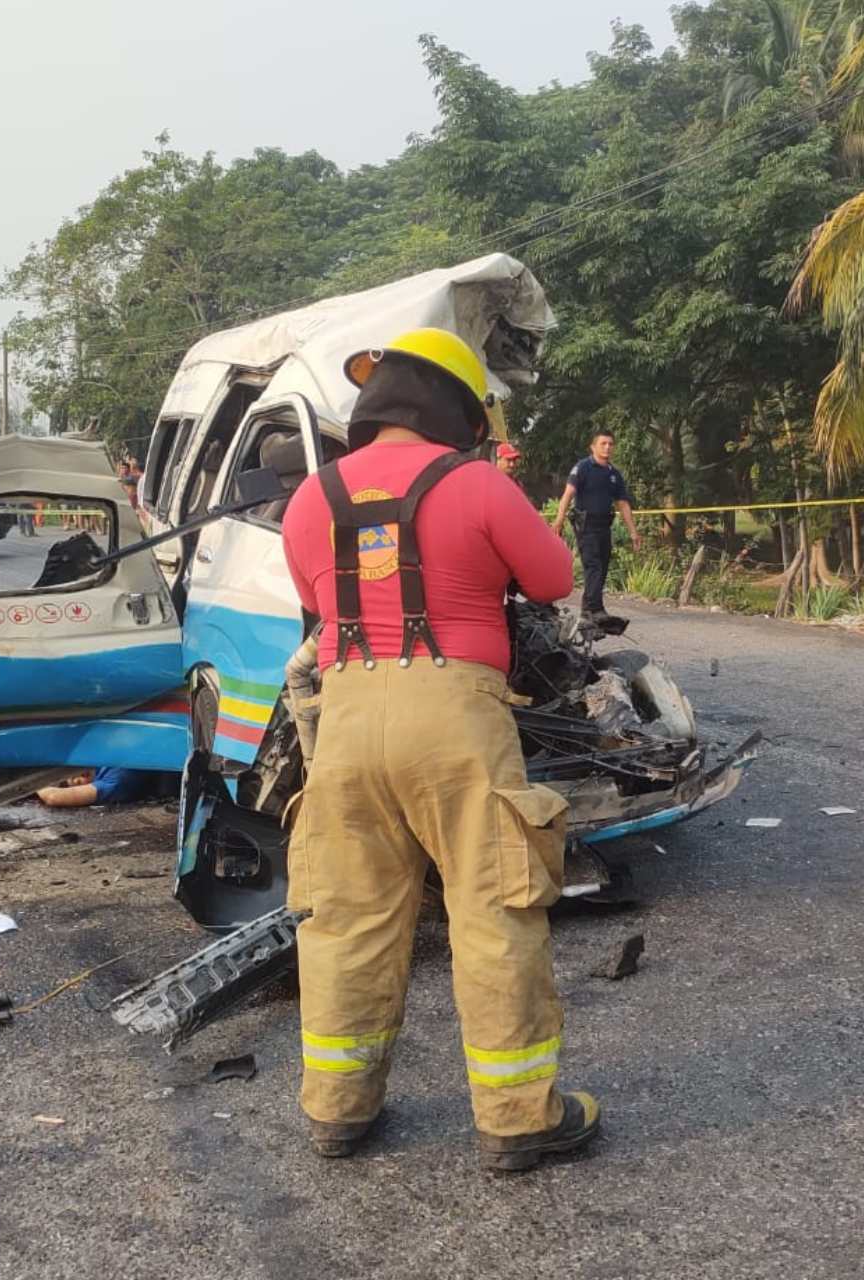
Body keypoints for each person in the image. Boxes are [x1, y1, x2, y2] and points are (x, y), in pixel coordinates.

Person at [280, 327, 599, 1173]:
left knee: (347, 917)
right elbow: (554, 581)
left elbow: (316, 597)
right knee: (494, 913)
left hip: (346, 721)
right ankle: (520, 1118)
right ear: (458, 406)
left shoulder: (312, 498)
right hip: (456, 716)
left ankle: (339, 1109)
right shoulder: (478, 483)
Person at [552, 431, 641, 619]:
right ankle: (596, 609)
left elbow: (623, 503)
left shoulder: (614, 474)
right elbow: (568, 494)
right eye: (603, 443)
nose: (607, 447)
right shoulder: (583, 467)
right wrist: (559, 519)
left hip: (604, 525)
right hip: (586, 525)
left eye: (610, 444)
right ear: (593, 447)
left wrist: (633, 532)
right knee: (593, 566)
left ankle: (587, 609)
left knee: (603, 565)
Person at [37, 767, 156, 808]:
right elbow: (53, 797)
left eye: (71, 775)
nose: (75, 778)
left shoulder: (100, 762)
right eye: (77, 782)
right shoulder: (112, 783)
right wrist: (31, 786)